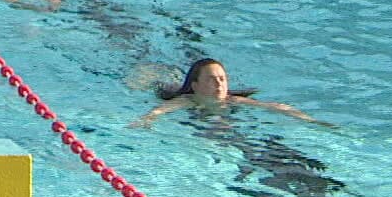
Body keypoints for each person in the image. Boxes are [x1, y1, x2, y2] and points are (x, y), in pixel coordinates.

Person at [134, 58, 328, 127]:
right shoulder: (188, 100)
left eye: (222, 79)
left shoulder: (232, 100)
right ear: (195, 85)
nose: (219, 84)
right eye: (211, 79)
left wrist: (309, 120)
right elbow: (162, 109)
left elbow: (274, 107)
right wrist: (147, 120)